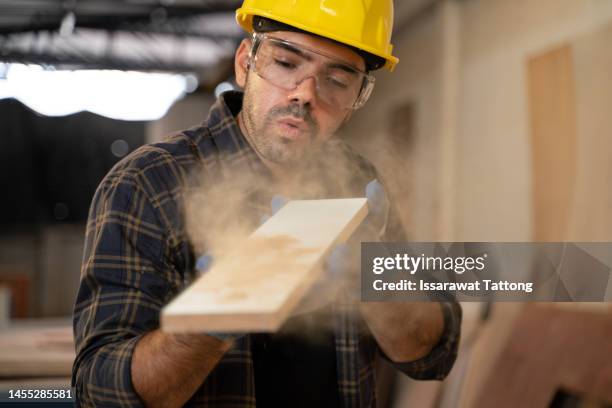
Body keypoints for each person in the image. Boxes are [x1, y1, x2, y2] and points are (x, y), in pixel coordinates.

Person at [72, 1, 462, 407]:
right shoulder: (148, 183)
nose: (306, 94)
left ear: (358, 96)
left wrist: (374, 280)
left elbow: (432, 355)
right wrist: (211, 320)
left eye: (337, 80)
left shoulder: (358, 184)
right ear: (245, 63)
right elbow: (100, 393)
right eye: (286, 63)